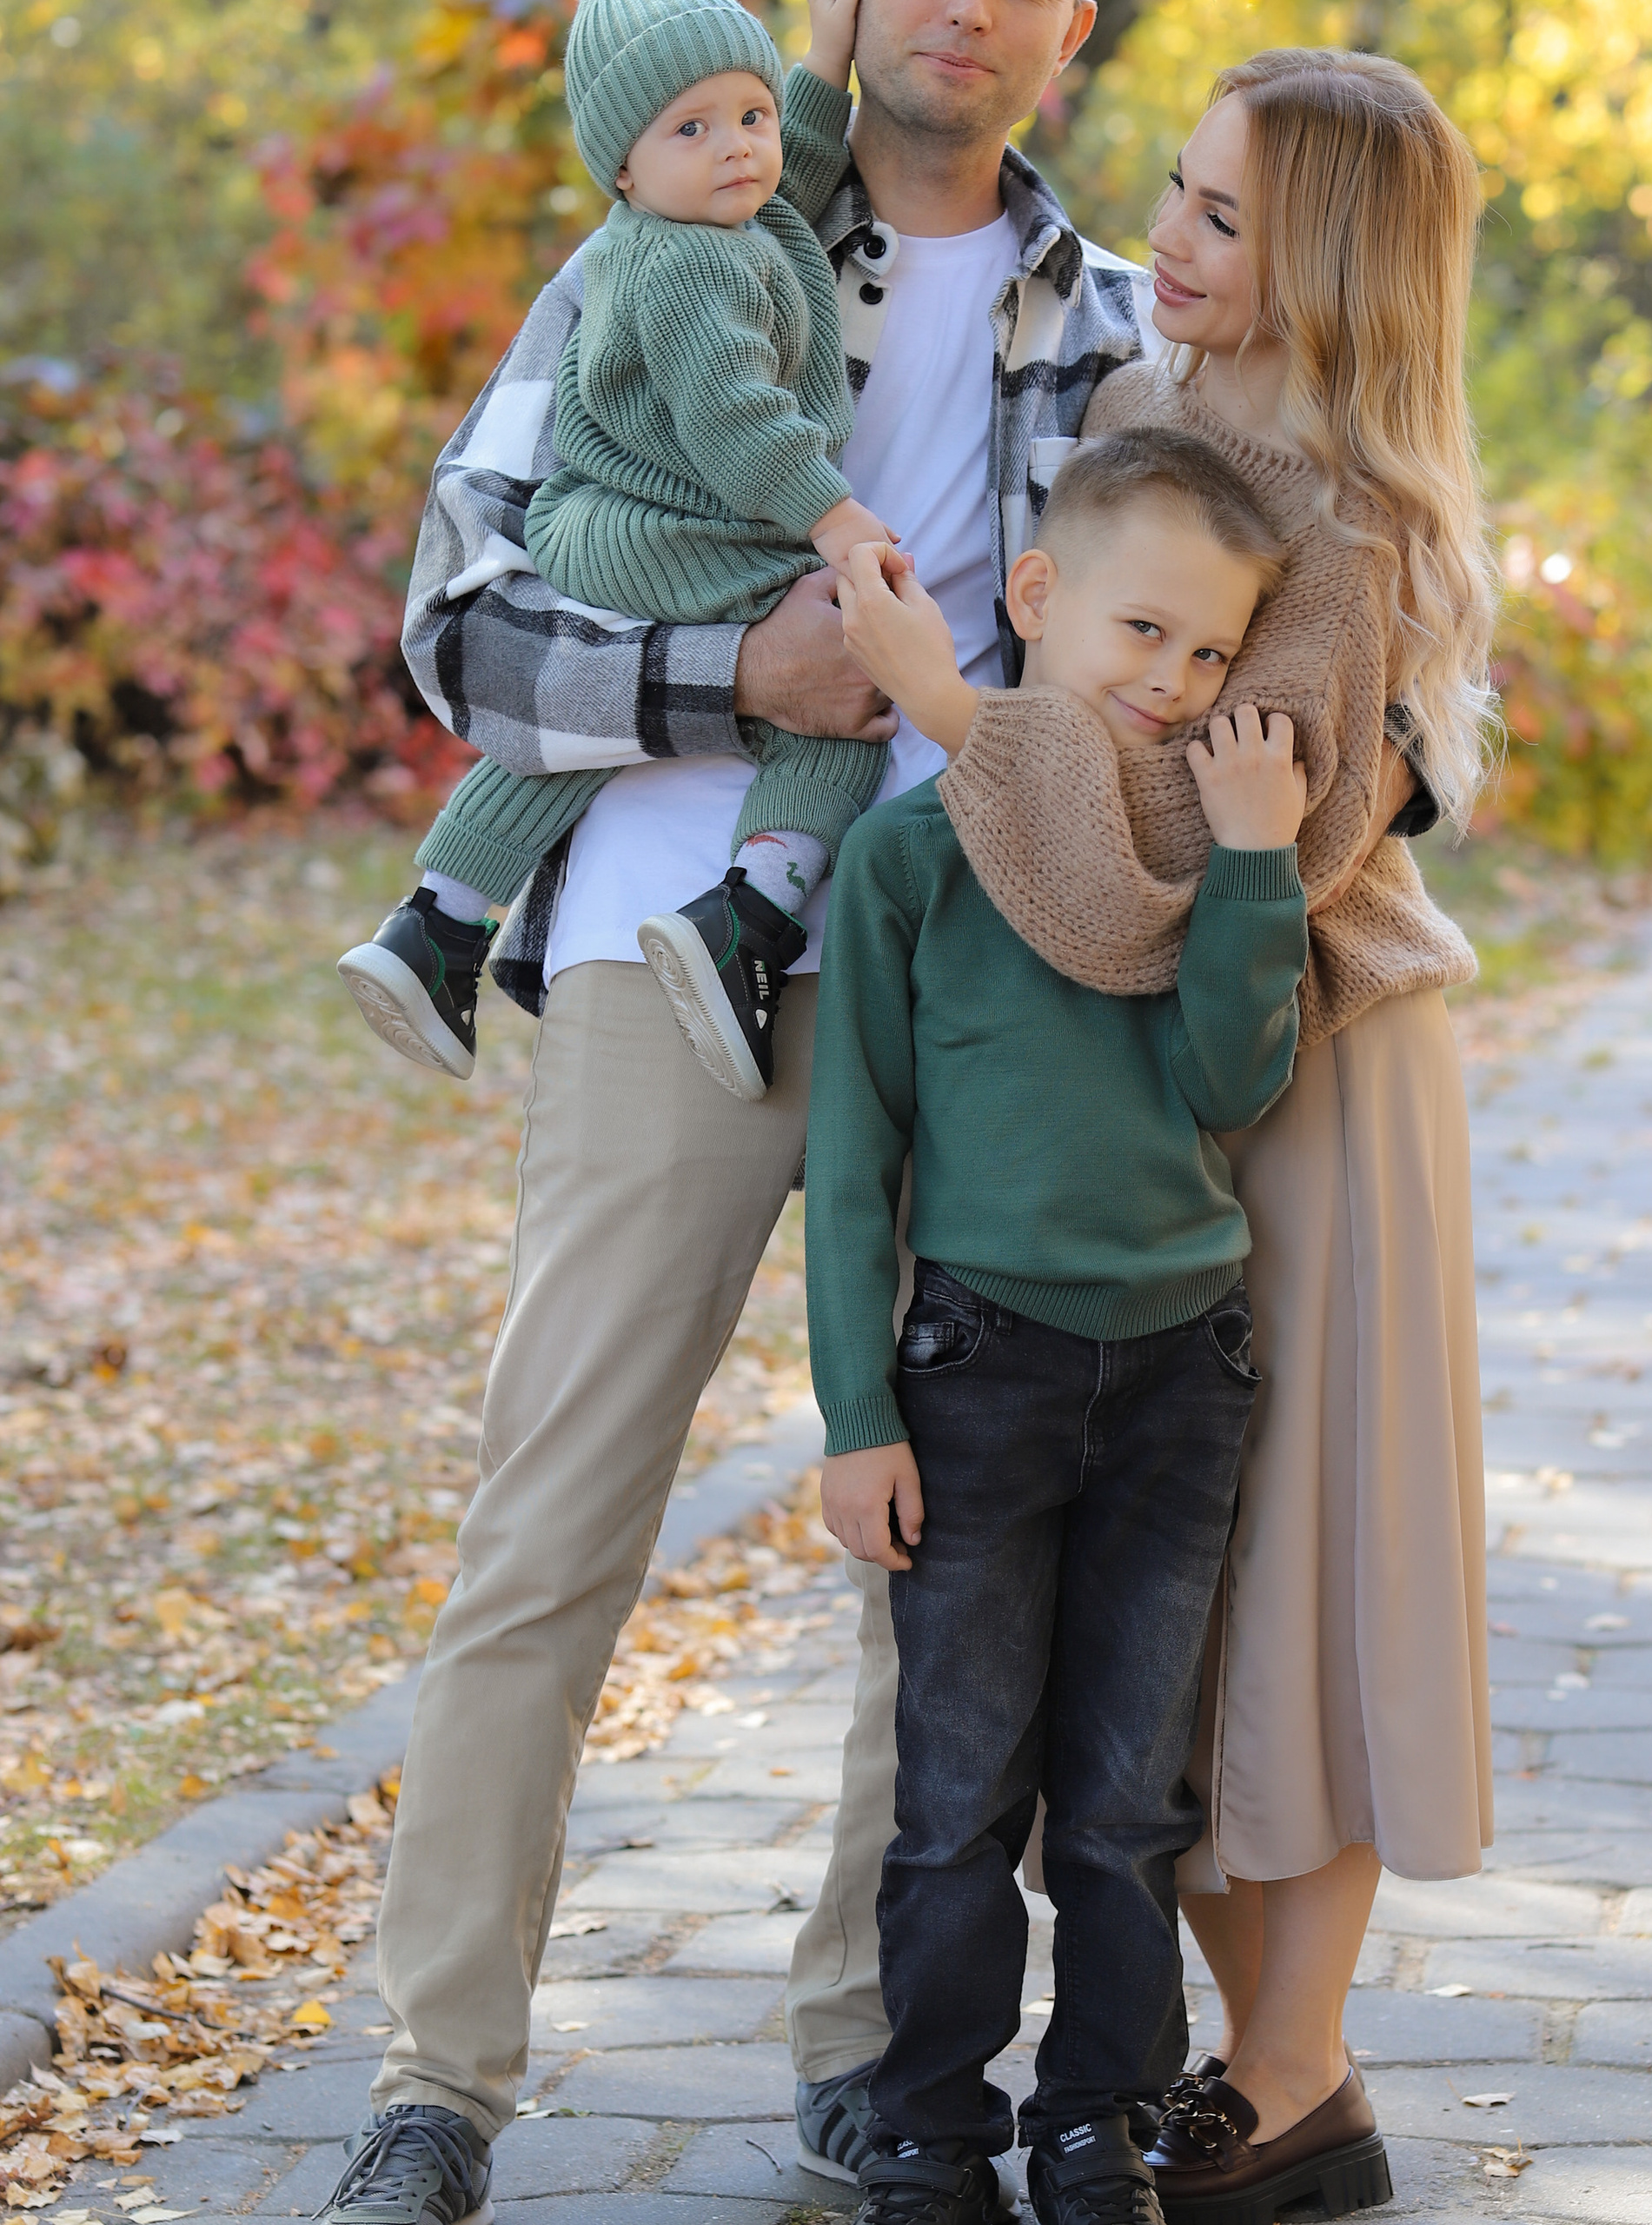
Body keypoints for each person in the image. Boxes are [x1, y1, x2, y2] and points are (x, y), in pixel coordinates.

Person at [313, 0, 1151, 2212]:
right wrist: (739, 679)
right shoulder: (662, 225)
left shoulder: (1127, 328)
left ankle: (877, 2056)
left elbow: (1245, 632)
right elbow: (458, 628)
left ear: (1069, 23)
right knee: (554, 1510)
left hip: (982, 992)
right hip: (665, 949)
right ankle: (436, 2082)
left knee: (953, 1549)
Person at [793, 46, 1496, 2225]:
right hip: (1134, 1128)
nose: (1160, 244)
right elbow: (1056, 824)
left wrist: (936, 701)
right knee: (1172, 1627)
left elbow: (1135, 900)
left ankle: (1288, 2073)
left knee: (1307, 1570)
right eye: (1173, 197)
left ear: (1330, 265)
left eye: (1215, 218)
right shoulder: (1133, 433)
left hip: (1302, 1085)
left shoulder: (1335, 538)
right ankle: (1278, 2071)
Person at [808, 428, 1305, 2225]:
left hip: (1181, 1376)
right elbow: (853, 1163)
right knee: (953, 1794)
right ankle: (931, 2125)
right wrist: (854, 1410)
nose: (1173, 685)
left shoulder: (1195, 861)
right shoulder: (910, 864)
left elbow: (1233, 1075)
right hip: (978, 1374)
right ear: (1034, 598)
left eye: (1207, 655)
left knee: (1118, 1803)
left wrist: (1252, 862)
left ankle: (1091, 2118)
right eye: (1140, 634)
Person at [339, 0, 894, 1103]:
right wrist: (833, 519)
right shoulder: (687, 266)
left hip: (623, 524)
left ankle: (436, 922)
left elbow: (809, 151)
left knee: (605, 730)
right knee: (846, 690)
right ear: (624, 172)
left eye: (748, 113)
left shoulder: (740, 216)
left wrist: (823, 59)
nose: (738, 143)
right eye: (692, 129)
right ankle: (749, 919)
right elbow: (740, 425)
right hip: (669, 529)